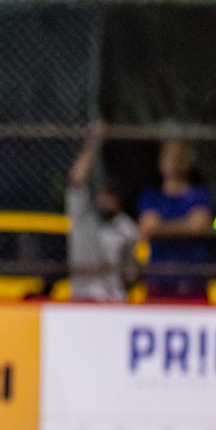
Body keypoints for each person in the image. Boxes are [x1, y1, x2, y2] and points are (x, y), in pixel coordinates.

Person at [65, 125, 138, 302]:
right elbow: (76, 181)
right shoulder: (84, 215)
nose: (109, 198)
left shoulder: (126, 227)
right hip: (83, 298)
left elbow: (131, 277)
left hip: (114, 300)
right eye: (107, 191)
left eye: (114, 193)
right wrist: (92, 143)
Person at [138, 138, 216, 299]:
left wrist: (162, 228)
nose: (174, 161)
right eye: (169, 156)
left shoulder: (200, 194)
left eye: (179, 156)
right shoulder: (151, 194)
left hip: (194, 285)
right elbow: (148, 228)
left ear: (187, 161)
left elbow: (201, 227)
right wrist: (187, 226)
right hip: (158, 285)